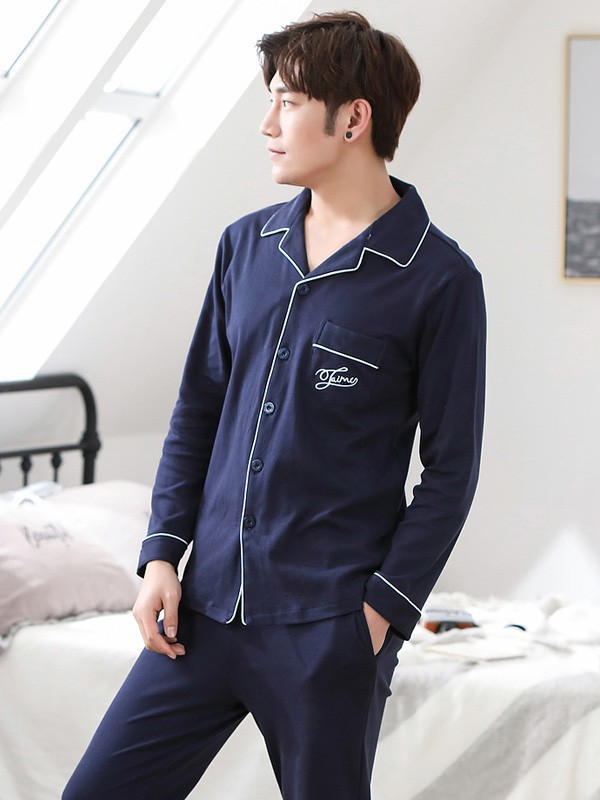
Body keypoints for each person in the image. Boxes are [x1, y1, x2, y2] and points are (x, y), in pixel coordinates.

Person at [63, 10, 486, 800]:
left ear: (353, 119)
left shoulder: (439, 279)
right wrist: (162, 557)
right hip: (201, 614)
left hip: (326, 631)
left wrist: (379, 616)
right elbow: (197, 412)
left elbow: (451, 471)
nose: (267, 125)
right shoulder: (245, 247)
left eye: (288, 103)